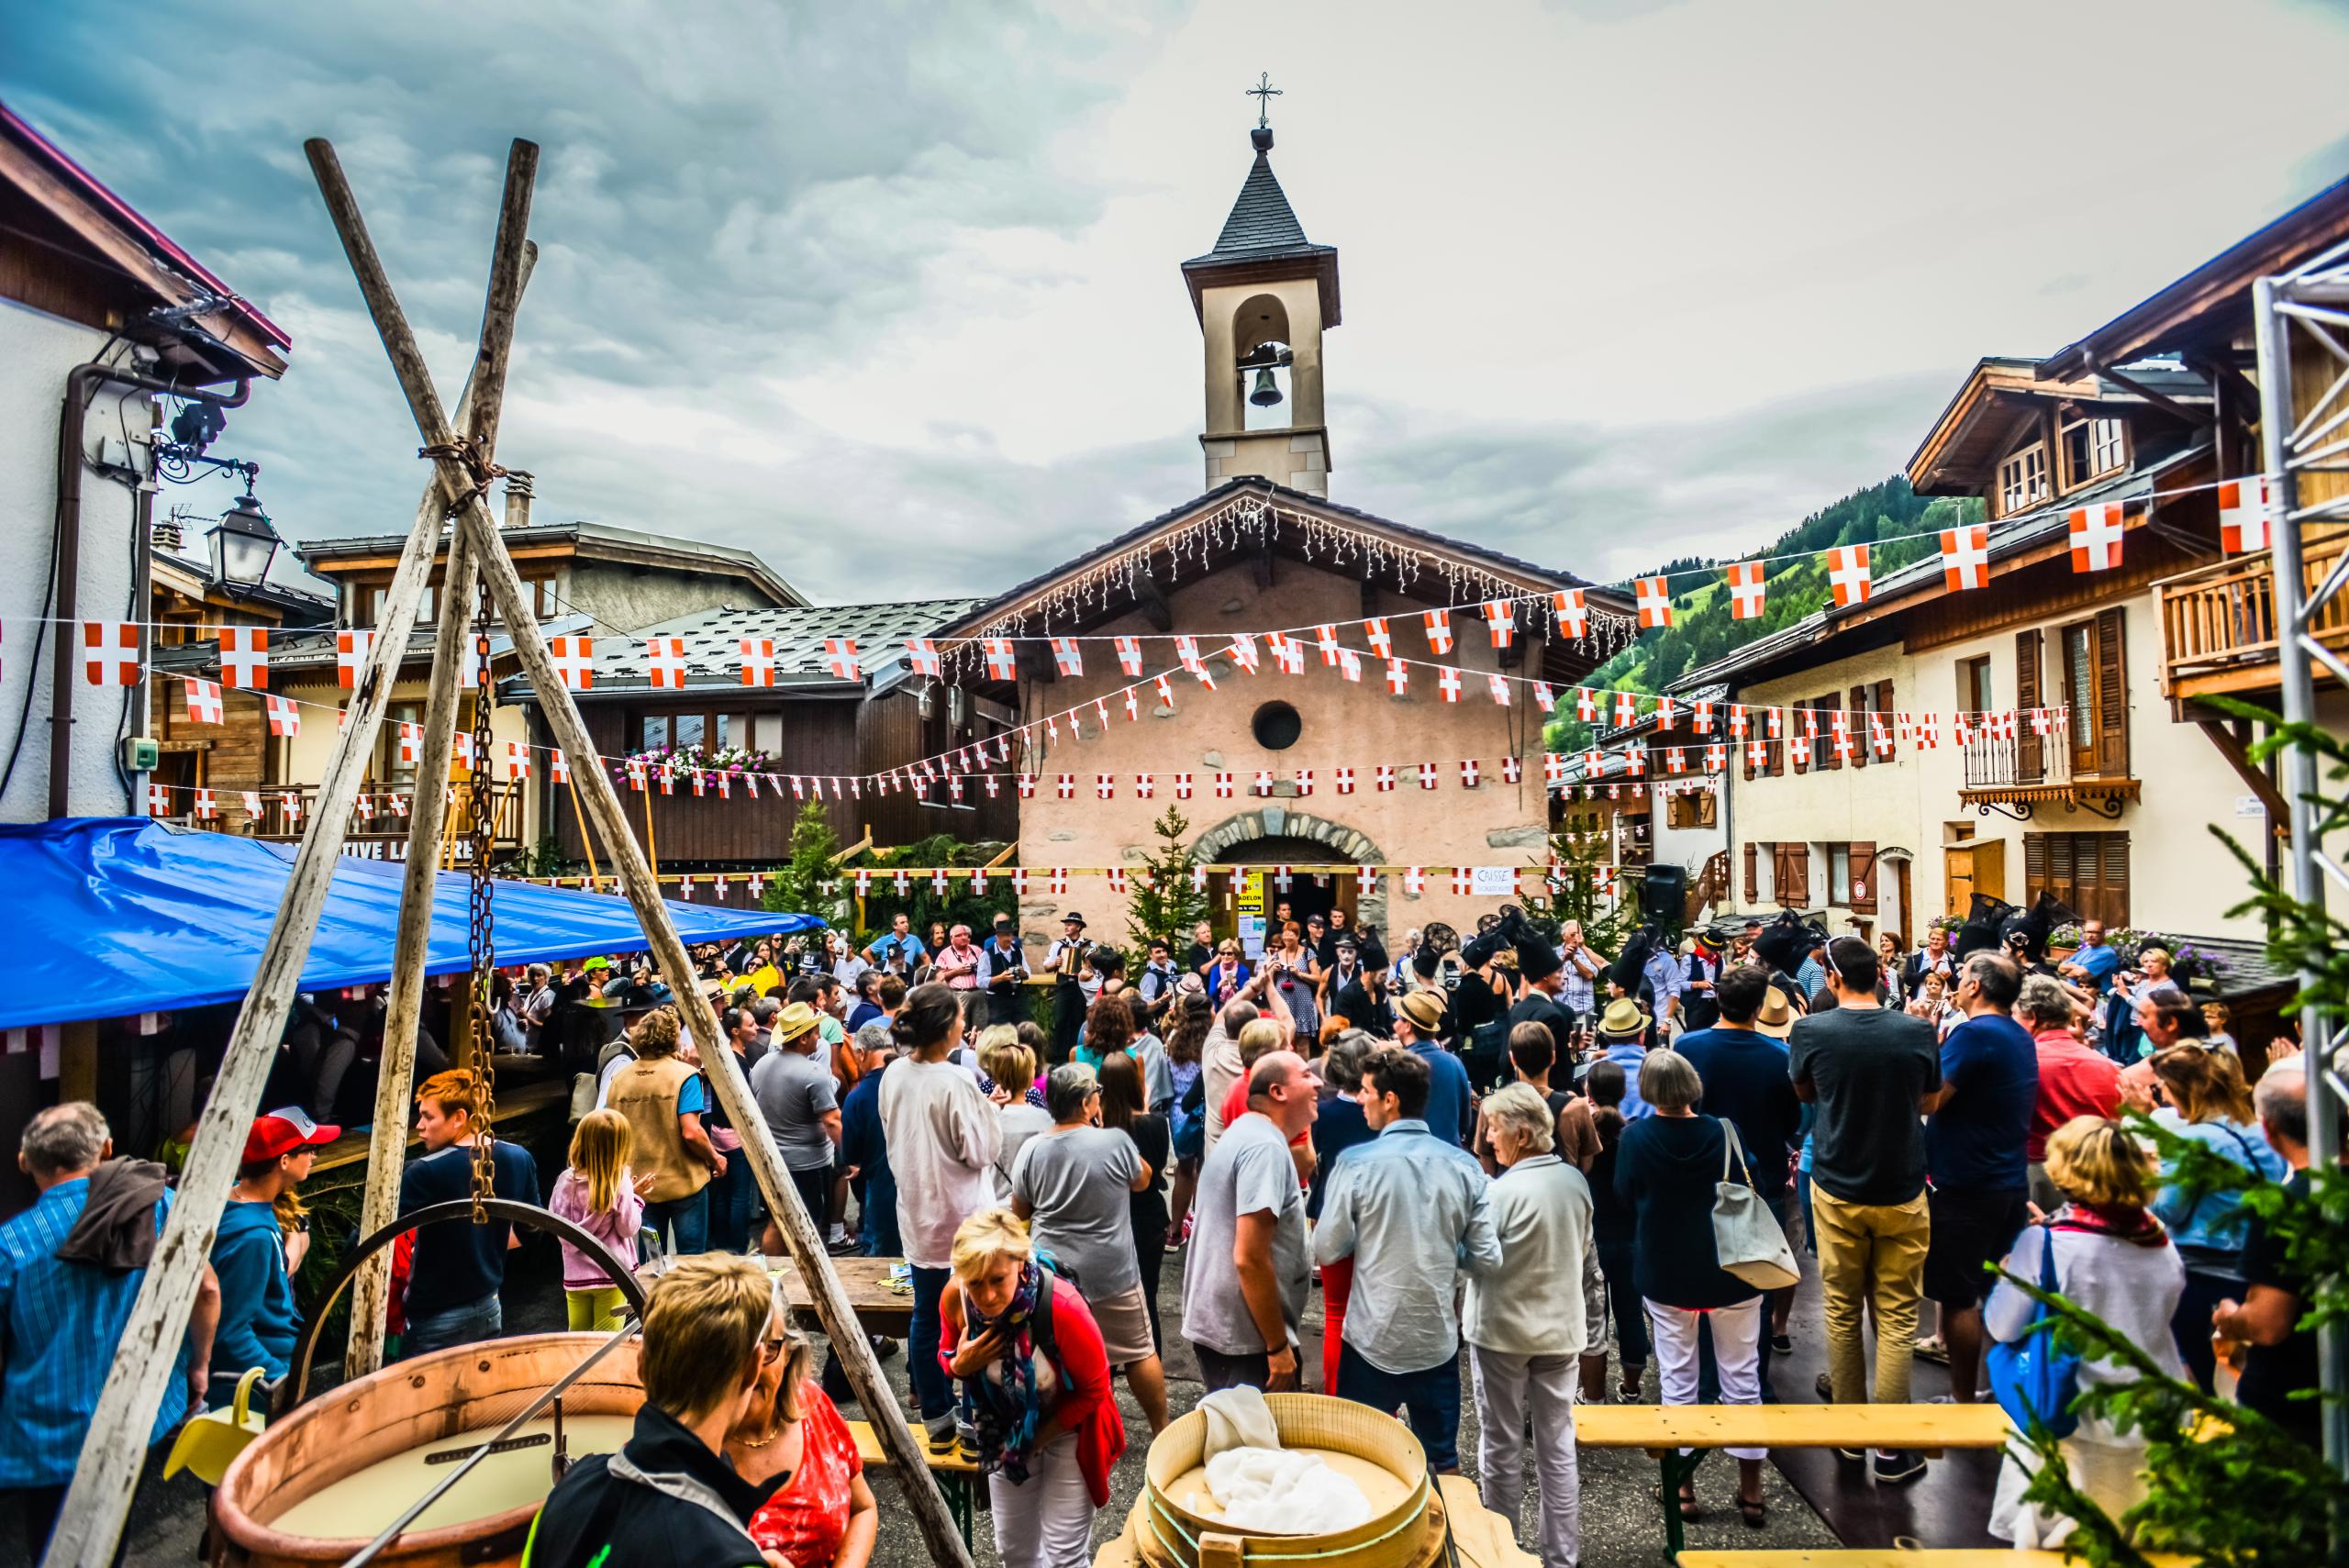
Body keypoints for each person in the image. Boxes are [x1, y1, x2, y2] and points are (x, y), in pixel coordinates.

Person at [1, 1105, 218, 1561]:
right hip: (137, 1413)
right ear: (106, 1148)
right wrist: (198, 1366)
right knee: (110, 1533)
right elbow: (206, 1288)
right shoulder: (158, 1203)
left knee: (54, 1545)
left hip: (47, 1434)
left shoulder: (11, 1244)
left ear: (26, 1163)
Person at [1985, 1118, 2185, 1548]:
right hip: (2152, 1416)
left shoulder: (2046, 1244)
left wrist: (2009, 1271)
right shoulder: (2159, 1237)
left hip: (2071, 1423)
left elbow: (2001, 1326)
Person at [524, 1254, 787, 1567]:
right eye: (773, 1347)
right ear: (753, 1367)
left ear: (641, 1365)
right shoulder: (724, 1554)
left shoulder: (566, 1493)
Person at [1789, 935, 1939, 1484]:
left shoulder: (1811, 1030)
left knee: (1842, 1306)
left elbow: (1804, 1094)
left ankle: (1851, 1435)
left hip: (1837, 1182)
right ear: (1880, 973)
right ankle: (1893, 1447)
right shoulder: (1916, 1030)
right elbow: (1929, 1101)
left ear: (1831, 978)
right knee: (1899, 1316)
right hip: (1901, 1184)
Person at [1314, 1047, 1499, 1473]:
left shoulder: (1355, 1165)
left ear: (1390, 1098)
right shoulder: (1464, 1167)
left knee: (1357, 1462)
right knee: (1443, 1464)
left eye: (1365, 1091)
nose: (1359, 1099)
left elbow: (1325, 1249)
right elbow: (1487, 1258)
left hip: (1370, 1339)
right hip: (1435, 1340)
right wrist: (1444, 1250)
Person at [1616, 1051, 1770, 1526]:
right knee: (1742, 1379)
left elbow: (1624, 1196)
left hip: (1668, 1276)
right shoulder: (1724, 1132)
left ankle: (1683, 1490)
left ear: (1648, 1091)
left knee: (1679, 1381)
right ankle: (1751, 1493)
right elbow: (1755, 1182)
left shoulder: (1636, 1137)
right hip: (1733, 1271)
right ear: (1692, 1085)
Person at [1466, 1083, 1605, 1568]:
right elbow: (1584, 1251)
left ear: (1522, 1135)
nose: (1488, 1139)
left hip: (1502, 1333)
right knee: (1557, 1447)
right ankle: (1561, 1558)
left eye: (1495, 1129)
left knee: (1501, 1446)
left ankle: (1502, 1553)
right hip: (1561, 1331)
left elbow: (1474, 1261)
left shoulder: (1501, 1193)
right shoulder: (1575, 1184)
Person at [941, 1208, 1126, 1568]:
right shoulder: (956, 1298)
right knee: (1015, 1551)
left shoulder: (1062, 1307)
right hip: (1004, 1425)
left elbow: (1095, 1387)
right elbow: (945, 1354)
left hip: (1070, 1426)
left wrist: (1040, 1436)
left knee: (1063, 1554)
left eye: (998, 1279)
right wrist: (959, 1366)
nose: (989, 1295)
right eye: (975, 1282)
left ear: (1020, 1263)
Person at [1011, 1062, 1169, 1433]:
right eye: (1096, 1095)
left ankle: (1080, 1425)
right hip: (1112, 1271)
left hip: (1054, 1276)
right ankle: (1162, 1429)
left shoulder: (1032, 1149)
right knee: (1138, 1351)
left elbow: (1020, 1211)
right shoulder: (1114, 1141)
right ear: (1086, 1104)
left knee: (1064, 1353)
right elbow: (1144, 1181)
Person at [879, 984, 1002, 1451]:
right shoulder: (955, 1081)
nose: (963, 1025)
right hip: (962, 1216)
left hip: (919, 1208)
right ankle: (973, 1419)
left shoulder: (893, 1074)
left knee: (927, 1315)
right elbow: (979, 1152)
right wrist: (989, 1113)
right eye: (959, 1018)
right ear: (947, 1027)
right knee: (976, 1318)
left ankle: (935, 1413)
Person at [1673, 964, 1802, 1396]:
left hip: (1699, 1178)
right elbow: (1790, 1124)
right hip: (1758, 1181)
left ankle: (1707, 1380)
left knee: (1703, 1279)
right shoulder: (1777, 1057)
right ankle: (1751, 1382)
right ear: (1759, 1007)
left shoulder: (1688, 1046)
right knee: (1757, 1282)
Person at [2134, 1044, 2288, 1391]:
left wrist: (2146, 1182)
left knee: (2207, 1371)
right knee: (2251, 1368)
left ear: (2182, 1088)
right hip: (2258, 1265)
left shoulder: (2192, 1140)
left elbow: (2170, 1208)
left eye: (2164, 1088)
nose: (2164, 1098)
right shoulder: (2257, 1129)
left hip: (2204, 1271)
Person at [1182, 1051, 1319, 1393]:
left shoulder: (1248, 1133)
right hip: (1246, 1339)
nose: (1318, 1081)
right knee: (1254, 1443)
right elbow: (1250, 1257)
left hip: (1235, 1331)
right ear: (1278, 1092)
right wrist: (1276, 1345)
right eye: (1305, 1075)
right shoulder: (1264, 1147)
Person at [399, 1068, 541, 1356]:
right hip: (489, 1304)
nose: (419, 1126)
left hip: (435, 1314)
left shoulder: (425, 1170)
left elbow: (374, 1239)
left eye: (428, 1116)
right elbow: (533, 1229)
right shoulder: (518, 1157)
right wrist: (483, 1243)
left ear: (459, 1118)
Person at [2213, 1066, 2318, 1447]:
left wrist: (2231, 1318)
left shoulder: (2286, 1207)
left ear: (2269, 1131)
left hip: (2298, 1403)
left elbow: (2268, 1324)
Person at [726, 1318, 881, 1568]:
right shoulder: (684, 1449)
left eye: (767, 1348)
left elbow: (863, 1508)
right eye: (728, 1349)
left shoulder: (810, 1402)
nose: (748, 1367)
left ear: (789, 1351)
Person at [210, 1107, 335, 1410]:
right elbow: (232, 1331)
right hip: (259, 1384)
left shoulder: (232, 1201)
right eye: (310, 1149)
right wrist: (282, 1383)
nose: (315, 1156)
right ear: (283, 1161)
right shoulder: (253, 1238)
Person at [602, 1008, 720, 1257]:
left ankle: (652, 1297)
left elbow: (610, 1128)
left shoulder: (620, 1079)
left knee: (651, 1259)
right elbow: (691, 1132)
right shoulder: (685, 1076)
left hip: (639, 1183)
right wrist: (715, 1158)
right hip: (683, 1181)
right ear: (673, 1037)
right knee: (691, 1259)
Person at [2020, 974, 2121, 1214]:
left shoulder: (2024, 1061)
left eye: (2017, 1016)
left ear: (2032, 1018)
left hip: (2039, 1173)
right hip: (2096, 1174)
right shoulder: (2106, 1066)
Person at [1097, 1050, 1171, 1357]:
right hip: (1149, 1217)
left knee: (1107, 1295)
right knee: (1147, 1294)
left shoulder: (1098, 1131)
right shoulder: (1154, 1124)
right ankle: (1151, 1355)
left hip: (1111, 1217)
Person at [752, 1002, 844, 1246]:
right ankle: (808, 1280)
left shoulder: (761, 1065)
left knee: (776, 1222)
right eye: (815, 1032)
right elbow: (832, 1121)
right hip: (808, 1165)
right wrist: (849, 1156)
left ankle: (776, 1277)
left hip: (772, 1159)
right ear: (803, 1039)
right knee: (809, 1226)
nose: (819, 1036)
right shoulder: (813, 1073)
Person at [1580, 1060, 1645, 1403]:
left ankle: (1592, 1392)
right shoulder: (1632, 1135)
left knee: (1593, 1320)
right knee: (1630, 1313)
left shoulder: (1582, 1136)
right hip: (1629, 1238)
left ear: (1587, 1091)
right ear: (1623, 1093)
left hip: (1592, 1239)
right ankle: (1632, 1388)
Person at [547, 1109, 648, 1329]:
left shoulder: (565, 1180)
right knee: (606, 1344)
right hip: (612, 1275)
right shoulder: (619, 1182)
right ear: (620, 1146)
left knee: (578, 1340)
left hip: (575, 1276)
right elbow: (627, 1228)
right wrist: (636, 1200)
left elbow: (556, 1222)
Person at [839, 1021, 899, 1256]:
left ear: (862, 1053)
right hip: (926, 1189)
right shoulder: (914, 1082)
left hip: (882, 1190)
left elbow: (851, 1154)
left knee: (882, 1262)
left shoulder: (859, 1097)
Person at [1392, 989, 1474, 1148]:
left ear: (1408, 1025)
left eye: (1397, 1018)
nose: (1394, 1023)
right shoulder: (1455, 1063)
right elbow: (1465, 1124)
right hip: (1450, 1155)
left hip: (1412, 1159)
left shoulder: (1398, 1067)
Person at [1590, 998, 1654, 1120]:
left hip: (1606, 1136)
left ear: (1608, 1037)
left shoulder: (1595, 1070)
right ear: (1641, 1036)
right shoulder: (1658, 1069)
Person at [1041, 912, 1090, 1063]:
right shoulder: (1058, 945)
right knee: (1061, 1020)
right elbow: (1047, 966)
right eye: (1066, 924)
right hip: (1063, 986)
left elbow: (1095, 966)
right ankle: (1060, 1057)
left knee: (1078, 1020)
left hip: (1081, 988)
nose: (1066, 927)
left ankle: (1076, 1055)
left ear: (1078, 927)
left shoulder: (1089, 945)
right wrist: (1055, 963)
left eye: (1070, 924)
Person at [863, 912, 929, 977]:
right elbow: (865, 952)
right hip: (887, 976)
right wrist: (877, 967)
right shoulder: (885, 940)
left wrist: (927, 975)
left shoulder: (914, 940)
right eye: (902, 923)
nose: (906, 925)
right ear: (895, 926)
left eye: (907, 922)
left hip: (908, 974)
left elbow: (925, 957)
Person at [934, 925, 983, 994]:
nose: (963, 937)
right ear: (951, 938)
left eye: (965, 934)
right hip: (958, 994)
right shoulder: (944, 954)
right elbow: (937, 977)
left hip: (979, 992)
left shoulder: (977, 950)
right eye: (959, 935)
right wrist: (955, 972)